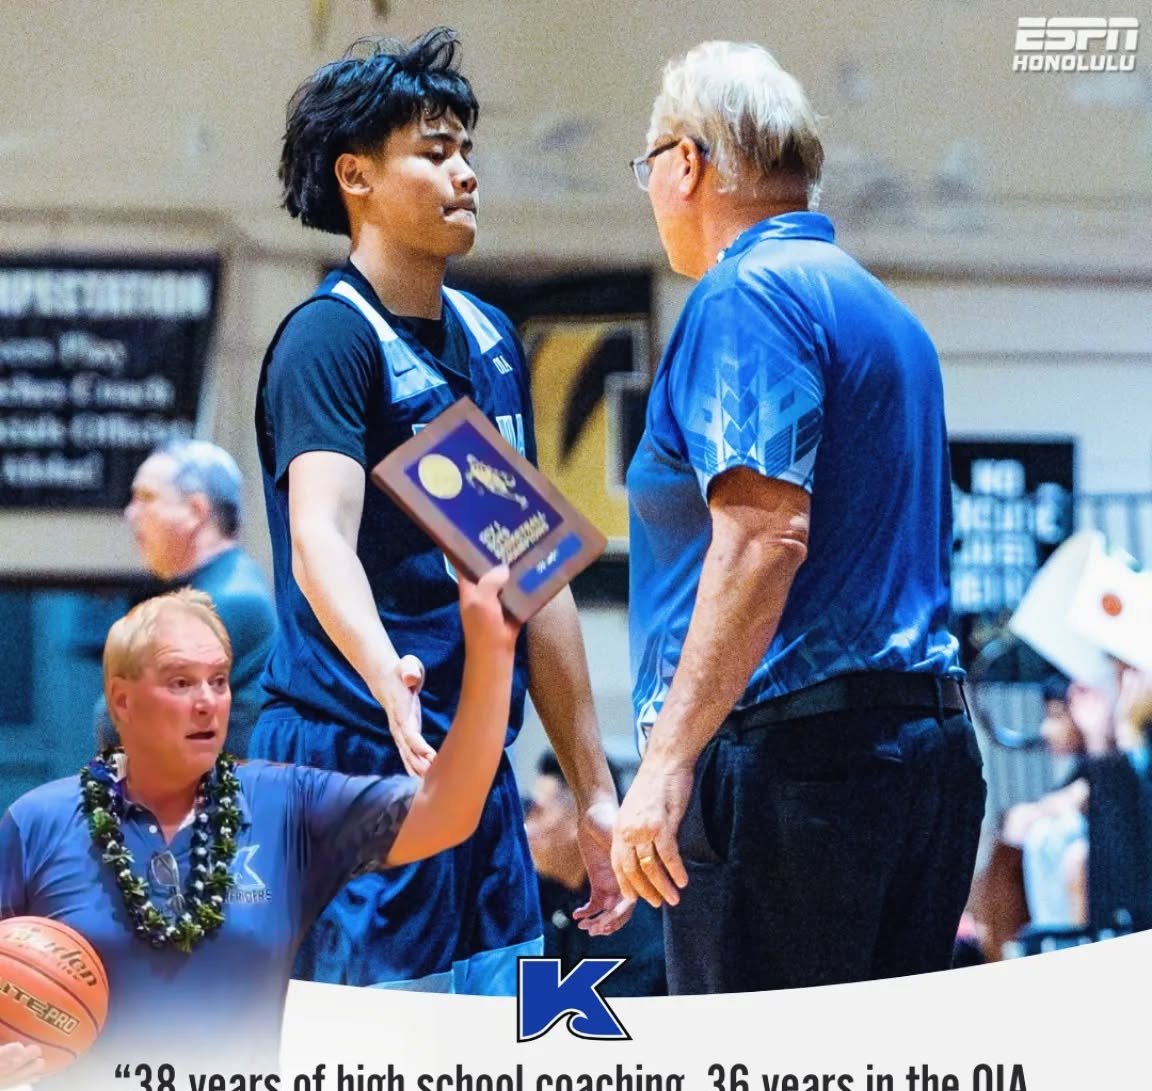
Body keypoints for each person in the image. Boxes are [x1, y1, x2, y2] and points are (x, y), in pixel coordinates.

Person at [248, 27, 626, 995]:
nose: (465, 173)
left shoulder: (492, 340)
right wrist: (389, 676)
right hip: (355, 761)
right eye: (434, 150)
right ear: (356, 178)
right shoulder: (329, 341)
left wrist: (594, 792)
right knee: (370, 1075)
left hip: (474, 773)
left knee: (495, 1055)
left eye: (467, 150)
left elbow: (536, 578)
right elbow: (317, 537)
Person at [610, 41, 986, 993]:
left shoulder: (748, 294)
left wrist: (661, 764)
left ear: (686, 163)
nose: (650, 188)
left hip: (796, 773)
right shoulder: (890, 319)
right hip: (922, 760)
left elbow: (764, 535)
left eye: (649, 164)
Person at [0, 569, 521, 1091]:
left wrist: (492, 657)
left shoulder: (284, 804)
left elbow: (450, 812)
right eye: (181, 681)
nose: (207, 701)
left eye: (219, 680)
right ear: (122, 701)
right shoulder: (37, 822)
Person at [101, 440, 276, 755]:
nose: (131, 513)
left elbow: (115, 719)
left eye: (146, 498)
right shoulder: (227, 587)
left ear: (196, 511)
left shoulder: (230, 600)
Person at [526, 752, 666, 997]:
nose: (525, 827)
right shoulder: (531, 899)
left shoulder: (634, 929)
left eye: (537, 811)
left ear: (583, 823)